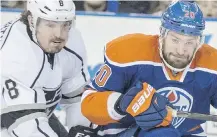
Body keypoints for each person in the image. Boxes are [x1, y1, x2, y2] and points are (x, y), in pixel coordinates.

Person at [81, 1, 217, 137]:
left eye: (189, 42)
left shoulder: (212, 64)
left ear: (199, 42)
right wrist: (122, 103)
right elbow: (88, 102)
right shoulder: (130, 52)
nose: (181, 51)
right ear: (162, 34)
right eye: (175, 40)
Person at [1, 0, 93, 136]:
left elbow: (76, 98)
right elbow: (26, 128)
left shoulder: (72, 39)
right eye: (50, 24)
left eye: (65, 24)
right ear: (32, 20)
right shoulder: (15, 53)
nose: (59, 35)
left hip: (32, 114)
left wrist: (83, 131)